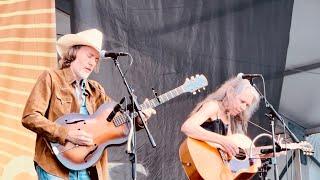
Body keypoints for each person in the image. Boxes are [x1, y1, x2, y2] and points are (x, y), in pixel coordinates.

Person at [22, 29, 156, 180]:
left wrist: (137, 120)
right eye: (89, 56)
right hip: (55, 167)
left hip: (89, 169)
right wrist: (66, 133)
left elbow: (115, 123)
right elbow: (30, 116)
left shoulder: (96, 90)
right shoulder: (51, 78)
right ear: (73, 52)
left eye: (96, 59)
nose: (92, 62)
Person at [181, 75, 260, 158]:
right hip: (201, 159)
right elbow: (187, 127)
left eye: (247, 105)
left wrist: (264, 154)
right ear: (230, 92)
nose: (243, 108)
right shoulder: (213, 106)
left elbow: (228, 150)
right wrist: (222, 140)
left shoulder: (228, 115)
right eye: (242, 101)